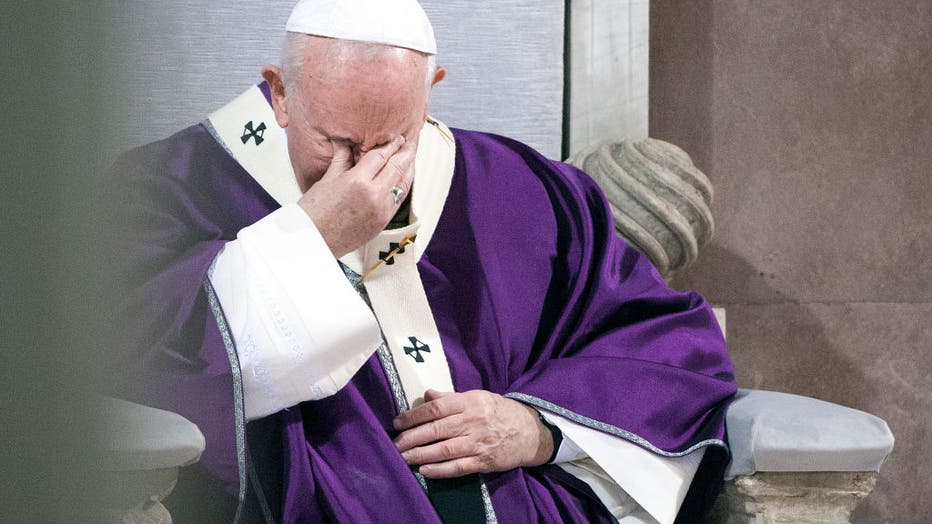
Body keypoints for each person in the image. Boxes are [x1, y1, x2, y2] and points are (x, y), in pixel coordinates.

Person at [107, 0, 736, 522]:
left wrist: (538, 427)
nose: (362, 169)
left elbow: (665, 347)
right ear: (279, 93)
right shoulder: (167, 193)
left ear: (431, 89)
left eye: (392, 140)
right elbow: (128, 353)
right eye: (336, 141)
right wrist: (310, 239)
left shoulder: (526, 192)